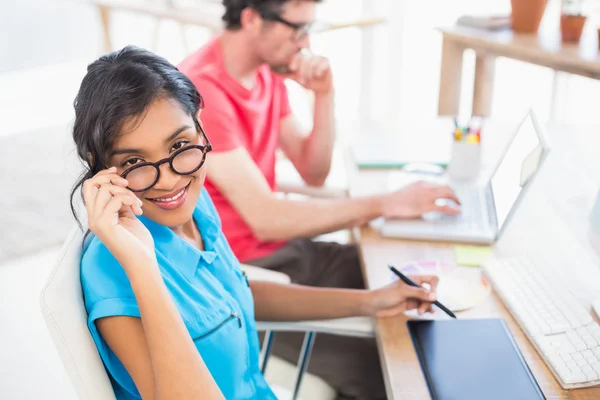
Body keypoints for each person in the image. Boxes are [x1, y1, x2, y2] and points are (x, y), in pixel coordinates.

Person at [72, 46, 441, 400]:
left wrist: (372, 301)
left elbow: (233, 294)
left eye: (180, 146)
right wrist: (143, 267)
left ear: (200, 126)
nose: (169, 180)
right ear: (101, 167)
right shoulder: (111, 269)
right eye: (135, 163)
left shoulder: (194, 208)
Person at [177, 0, 460, 397]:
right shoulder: (203, 91)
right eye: (297, 29)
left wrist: (325, 94)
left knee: (414, 287)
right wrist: (384, 203)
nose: (305, 42)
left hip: (290, 251)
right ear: (251, 18)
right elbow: (267, 218)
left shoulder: (265, 74)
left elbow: (313, 170)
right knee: (396, 363)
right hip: (254, 271)